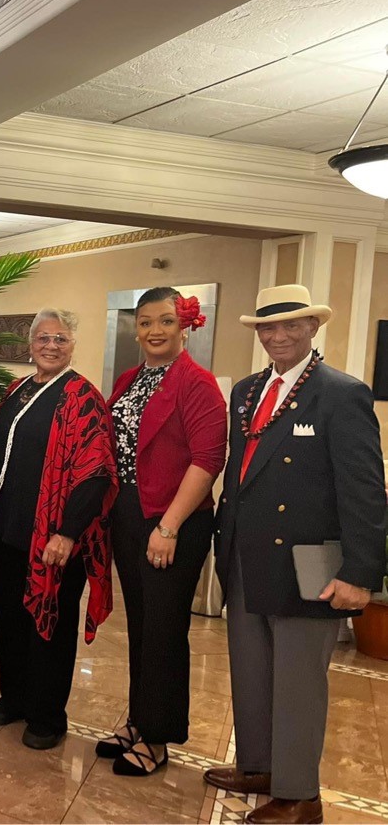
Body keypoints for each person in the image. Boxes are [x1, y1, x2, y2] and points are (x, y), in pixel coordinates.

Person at [204, 285, 386, 825]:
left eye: (291, 326)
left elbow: (364, 490)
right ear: (257, 333)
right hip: (245, 553)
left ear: (313, 329)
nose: (279, 335)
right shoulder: (246, 390)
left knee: (299, 682)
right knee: (252, 670)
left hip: (307, 564)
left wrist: (360, 573)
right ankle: (260, 766)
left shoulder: (341, 393)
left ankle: (300, 794)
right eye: (268, 327)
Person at [98, 287, 226, 776]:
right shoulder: (131, 378)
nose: (155, 331)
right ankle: (139, 719)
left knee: (165, 630)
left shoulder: (197, 383)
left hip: (173, 518)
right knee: (141, 626)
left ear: (185, 325)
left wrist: (168, 526)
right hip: (130, 513)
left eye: (166, 321)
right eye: (146, 322)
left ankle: (159, 735)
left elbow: (208, 459)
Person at [0, 309, 117, 750]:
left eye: (60, 338)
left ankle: (47, 714)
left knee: (49, 627)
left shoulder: (83, 398)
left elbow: (96, 471)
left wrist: (68, 532)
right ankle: (14, 697)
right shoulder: (18, 389)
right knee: (10, 618)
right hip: (7, 527)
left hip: (54, 534)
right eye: (43, 338)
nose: (51, 345)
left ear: (73, 345)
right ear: (30, 344)